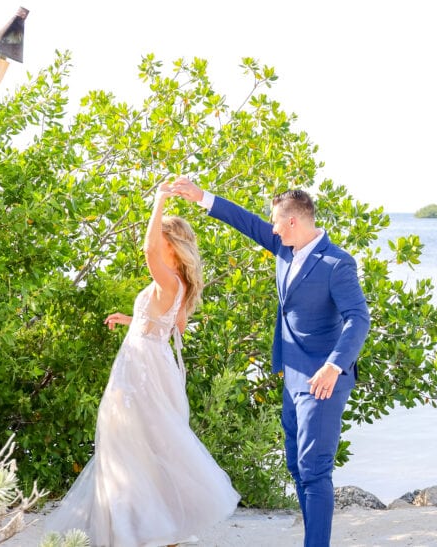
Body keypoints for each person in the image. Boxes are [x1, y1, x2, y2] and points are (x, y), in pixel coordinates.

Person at [165, 177, 370, 547]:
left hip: (323, 379)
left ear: (294, 221)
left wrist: (334, 365)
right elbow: (244, 221)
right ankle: (314, 538)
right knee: (296, 466)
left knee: (315, 469)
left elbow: (359, 318)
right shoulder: (285, 248)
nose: (272, 228)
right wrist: (200, 197)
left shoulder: (337, 263)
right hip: (292, 375)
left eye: (277, 221)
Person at [46, 186, 239, 546]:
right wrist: (130, 319)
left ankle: (140, 529)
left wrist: (160, 200)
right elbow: (168, 326)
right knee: (145, 443)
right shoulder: (176, 284)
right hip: (152, 361)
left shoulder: (168, 279)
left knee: (128, 441)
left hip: (141, 368)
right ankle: (153, 527)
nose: (153, 243)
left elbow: (148, 249)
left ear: (169, 244)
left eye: (158, 234)